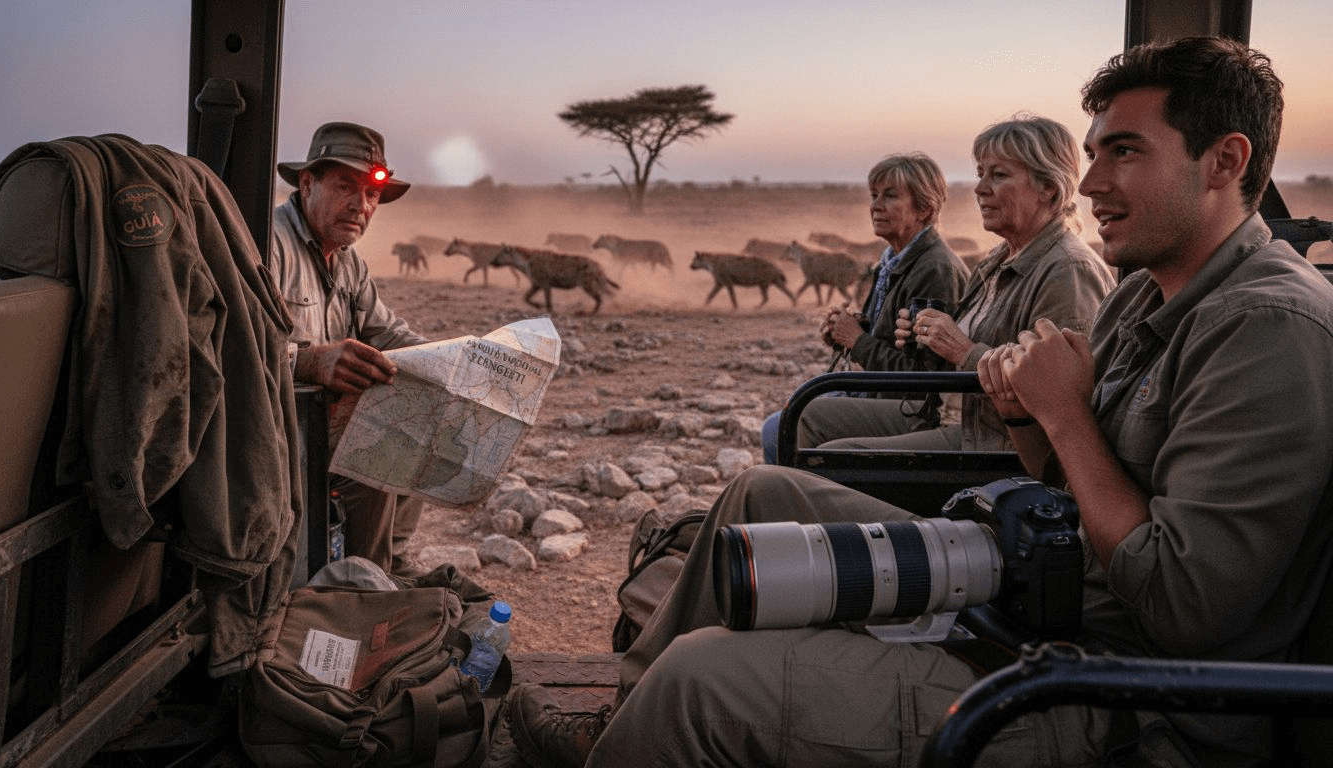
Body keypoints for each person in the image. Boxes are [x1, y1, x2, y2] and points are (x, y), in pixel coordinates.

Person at [507, 37, 1333, 767]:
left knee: (699, 682)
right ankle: (622, 721)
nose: (1092, 182)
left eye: (1123, 152)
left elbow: (1184, 610)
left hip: (1117, 693)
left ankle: (660, 719)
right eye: (1091, 153)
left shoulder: (1265, 328)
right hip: (1029, 586)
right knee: (759, 492)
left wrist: (1065, 415)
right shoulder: (1144, 294)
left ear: (1224, 161)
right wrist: (1029, 414)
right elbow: (1061, 480)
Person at [809, 115, 1115, 453]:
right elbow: (944, 358)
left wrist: (962, 350)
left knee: (832, 456)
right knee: (809, 414)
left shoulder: (1068, 270)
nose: (980, 188)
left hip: (994, 446)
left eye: (999, 175)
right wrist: (922, 338)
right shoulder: (997, 261)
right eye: (980, 174)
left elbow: (1063, 398)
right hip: (952, 417)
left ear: (1049, 188)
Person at [266, 121, 431, 577]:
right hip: (272, 430)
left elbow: (388, 332)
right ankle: (364, 590)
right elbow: (233, 353)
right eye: (346, 187)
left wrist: (456, 359)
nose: (361, 205)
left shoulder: (348, 261)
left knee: (424, 412)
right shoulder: (267, 245)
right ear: (307, 183)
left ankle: (388, 563)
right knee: (381, 445)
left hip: (321, 424)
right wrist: (308, 362)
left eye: (372, 195)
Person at [759, 153, 969, 464]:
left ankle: (796, 499)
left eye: (890, 196)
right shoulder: (892, 261)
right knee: (782, 421)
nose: (875, 206)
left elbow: (924, 376)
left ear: (924, 208)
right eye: (874, 195)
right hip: (884, 395)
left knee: (783, 425)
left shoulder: (935, 271)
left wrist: (858, 341)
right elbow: (895, 343)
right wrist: (850, 331)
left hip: (915, 409)